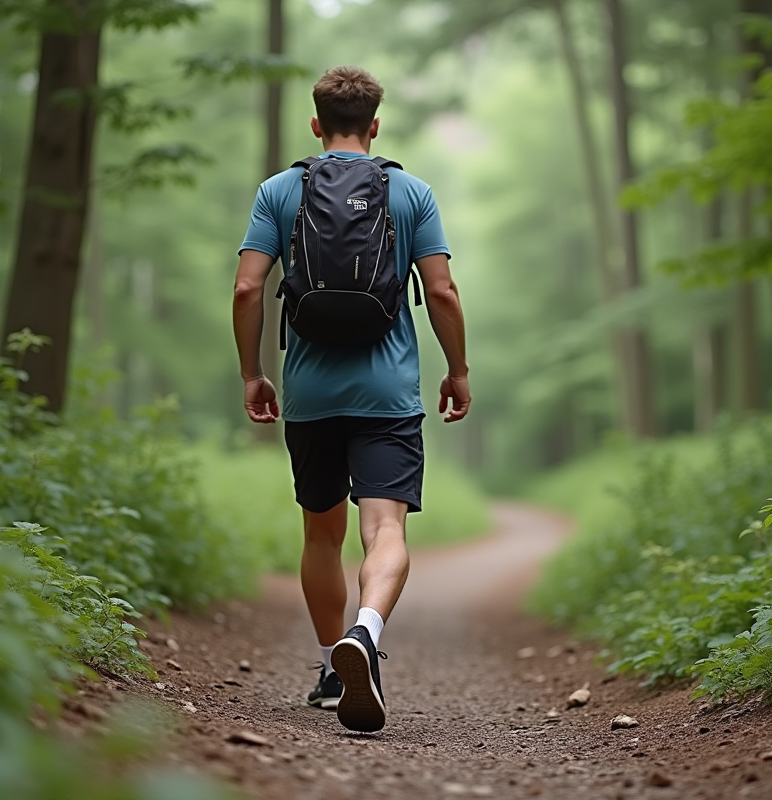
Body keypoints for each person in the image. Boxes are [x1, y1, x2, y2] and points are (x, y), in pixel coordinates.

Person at [231, 66, 470, 733]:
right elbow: (443, 293)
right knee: (385, 529)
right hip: (388, 394)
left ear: (315, 125)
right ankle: (366, 632)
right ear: (375, 125)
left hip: (309, 393)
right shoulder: (411, 192)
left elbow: (248, 289)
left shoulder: (279, 191)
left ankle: (333, 667)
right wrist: (458, 370)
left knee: (321, 533)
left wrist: (253, 373)